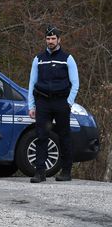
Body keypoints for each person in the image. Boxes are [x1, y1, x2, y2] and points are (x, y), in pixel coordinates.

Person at [28, 25, 79, 183]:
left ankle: (66, 171)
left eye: (53, 38)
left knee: (64, 135)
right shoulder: (38, 59)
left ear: (59, 40)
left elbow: (75, 83)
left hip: (61, 102)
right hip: (42, 102)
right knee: (41, 135)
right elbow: (32, 83)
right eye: (48, 38)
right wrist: (31, 105)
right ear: (46, 40)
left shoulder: (67, 58)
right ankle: (40, 172)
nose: (50, 41)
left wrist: (68, 103)